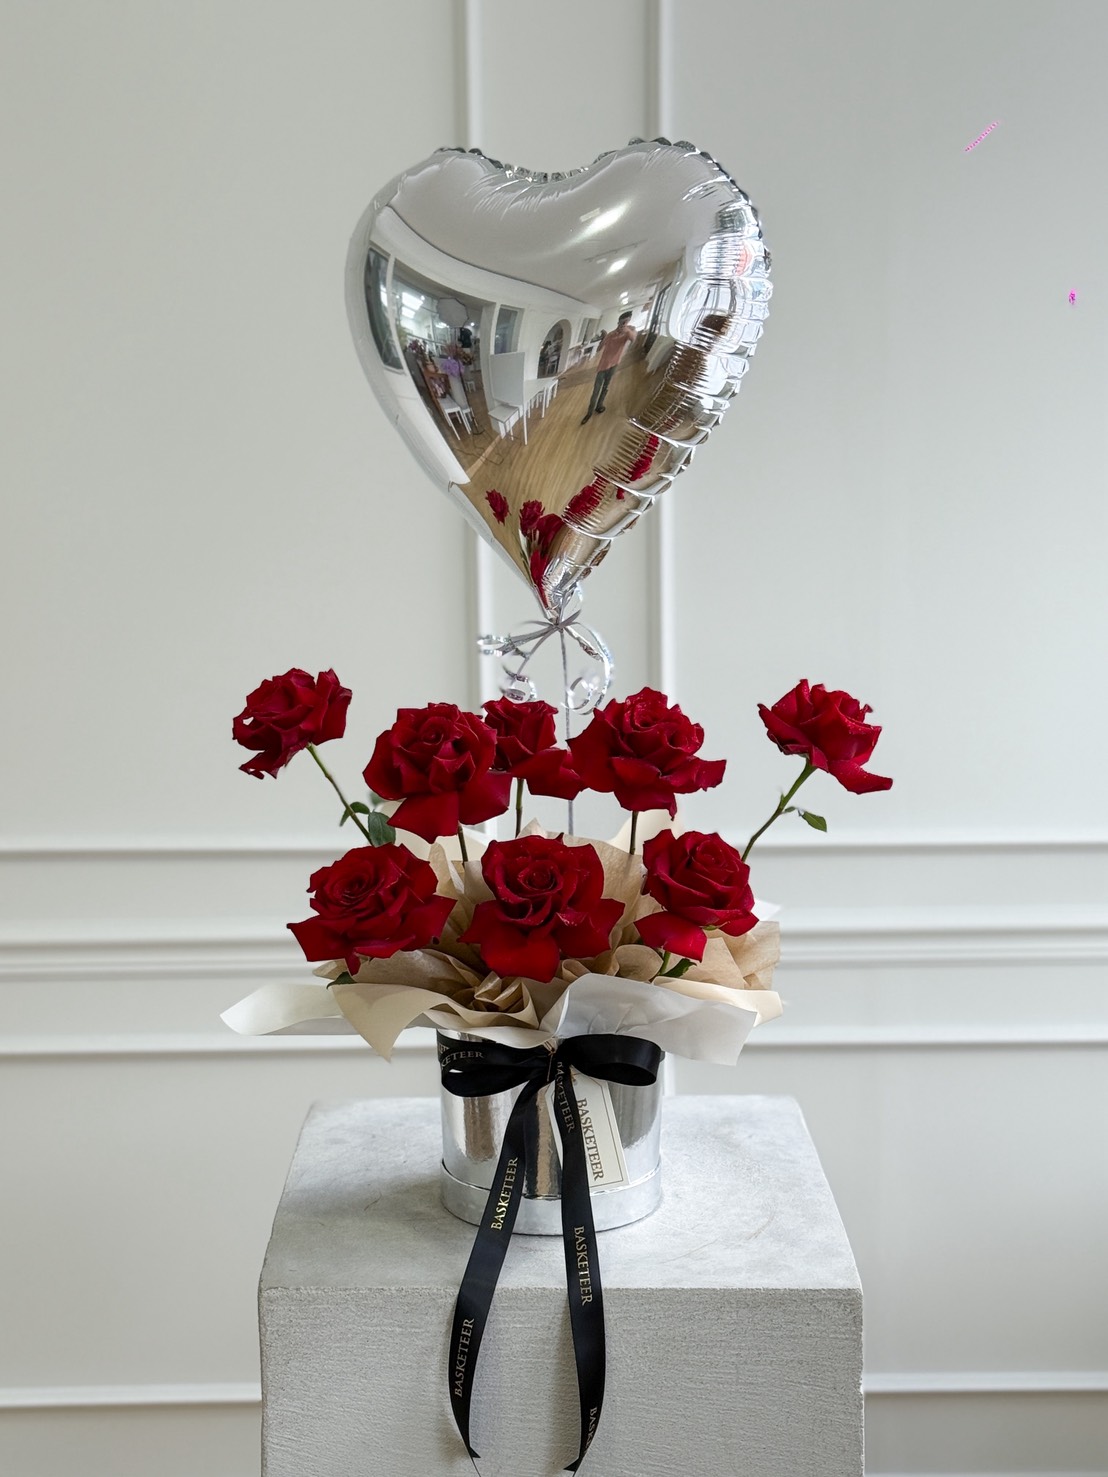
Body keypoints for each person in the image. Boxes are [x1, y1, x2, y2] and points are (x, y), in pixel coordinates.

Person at [581, 311, 636, 424]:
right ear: (618, 322)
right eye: (623, 322)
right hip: (603, 366)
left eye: (627, 321)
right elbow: (598, 349)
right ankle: (589, 413)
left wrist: (628, 330)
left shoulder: (628, 332)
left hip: (614, 365)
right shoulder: (611, 335)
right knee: (596, 390)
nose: (624, 324)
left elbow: (633, 339)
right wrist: (604, 338)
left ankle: (599, 406)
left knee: (606, 387)